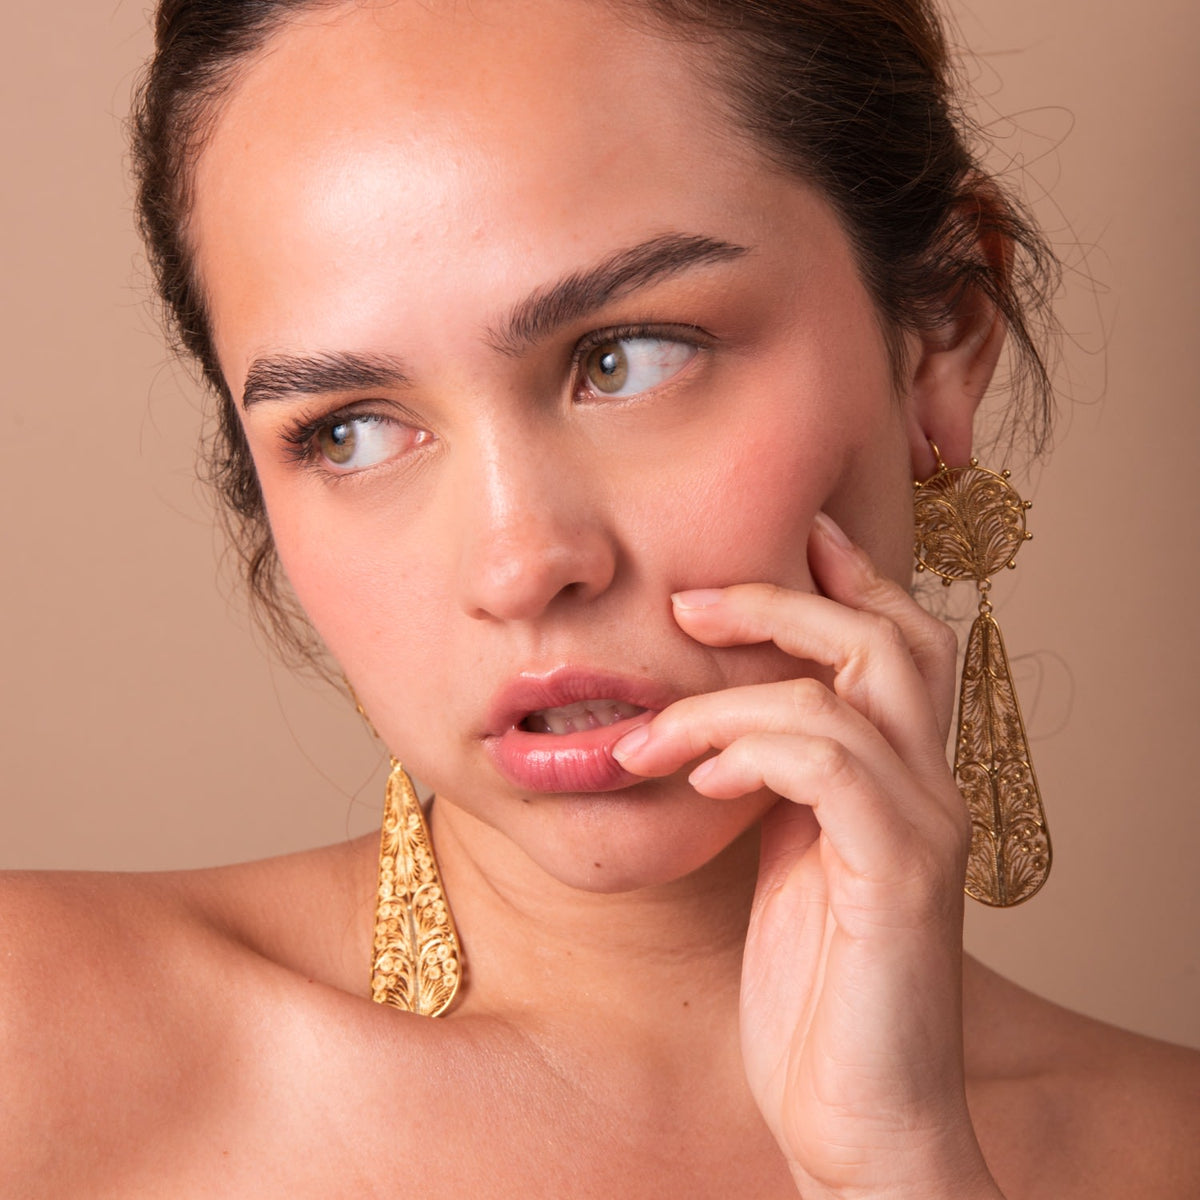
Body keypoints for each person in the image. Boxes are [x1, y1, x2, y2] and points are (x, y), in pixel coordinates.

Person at [2, 0, 1197, 1196]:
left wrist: (898, 1161)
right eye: (351, 430)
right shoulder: (38, 1051)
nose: (520, 565)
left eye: (624, 358)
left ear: (941, 332)